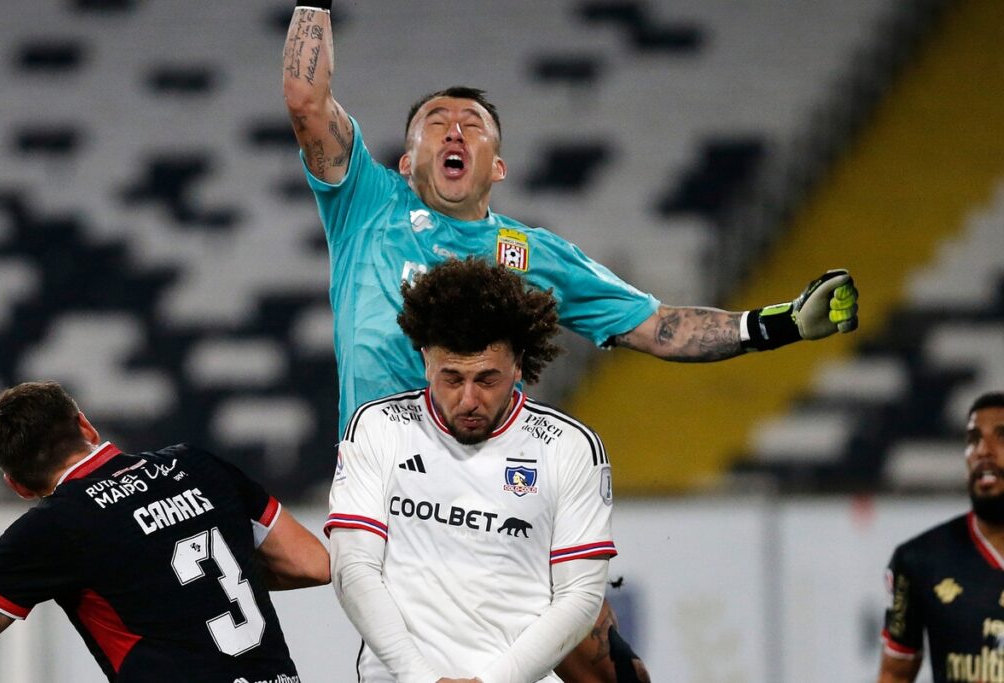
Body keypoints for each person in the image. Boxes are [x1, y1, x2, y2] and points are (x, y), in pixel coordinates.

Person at [282, 3, 858, 680]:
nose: (455, 128)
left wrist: (777, 324)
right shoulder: (367, 202)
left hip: (503, 485)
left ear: (498, 166)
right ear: (408, 159)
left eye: (474, 124)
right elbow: (305, 97)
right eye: (436, 121)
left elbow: (654, 326)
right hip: (397, 485)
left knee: (604, 664)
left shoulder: (534, 254)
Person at [327, 257, 622, 683]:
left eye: (487, 379)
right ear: (426, 360)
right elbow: (352, 569)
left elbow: (580, 596)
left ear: (518, 365)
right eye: (451, 378)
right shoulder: (378, 427)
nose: (468, 399)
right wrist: (422, 679)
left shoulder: (569, 447)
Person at [0, 381, 330, 681]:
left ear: (18, 486)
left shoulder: (51, 527)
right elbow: (312, 563)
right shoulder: (196, 464)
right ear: (85, 427)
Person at [878, 391, 1004, 683]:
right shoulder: (919, 560)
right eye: (973, 439)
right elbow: (894, 675)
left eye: (1001, 436)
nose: (983, 450)